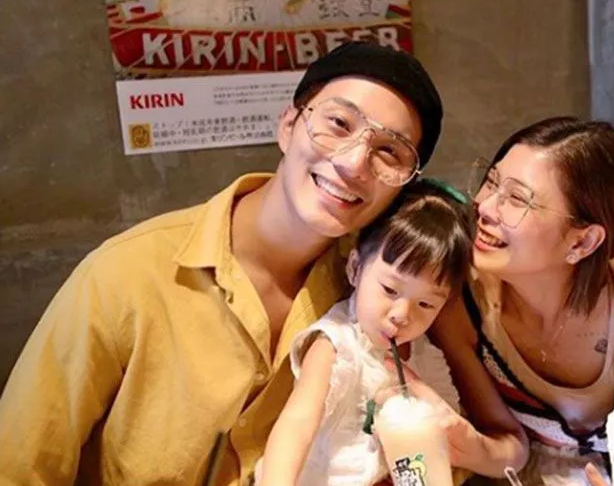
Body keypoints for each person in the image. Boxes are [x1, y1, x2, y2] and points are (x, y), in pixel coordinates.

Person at [0, 41, 444, 486]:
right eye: (339, 123)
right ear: (289, 125)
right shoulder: (126, 274)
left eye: (389, 151)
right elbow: (19, 466)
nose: (353, 163)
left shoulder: (373, 291)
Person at [429, 117, 614, 485]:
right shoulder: (461, 308)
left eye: (517, 198)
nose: (484, 206)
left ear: (582, 242)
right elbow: (501, 439)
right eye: (491, 181)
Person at [256, 179, 473, 486]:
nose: (402, 315)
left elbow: (446, 436)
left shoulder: (427, 356)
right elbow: (297, 422)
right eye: (390, 289)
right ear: (355, 267)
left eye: (425, 304)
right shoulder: (337, 344)